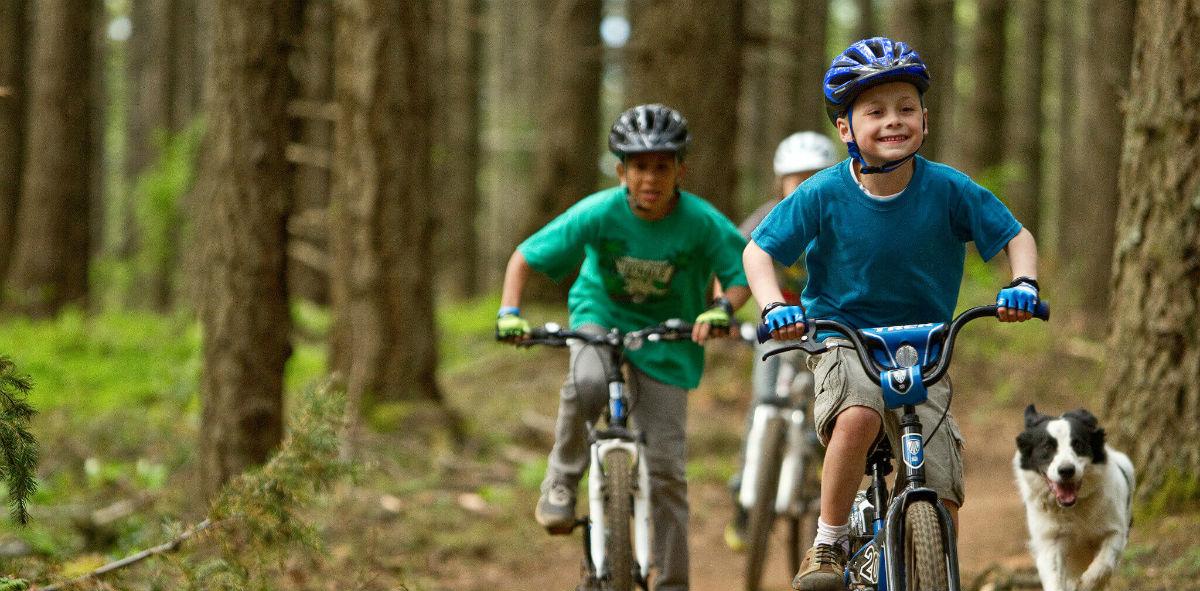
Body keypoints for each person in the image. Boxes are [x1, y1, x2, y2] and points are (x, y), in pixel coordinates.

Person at [742, 37, 1041, 591]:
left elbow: (1015, 236)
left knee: (943, 493)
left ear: (924, 120)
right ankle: (828, 542)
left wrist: (1021, 284)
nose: (893, 121)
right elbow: (759, 253)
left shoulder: (949, 188)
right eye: (874, 111)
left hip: (925, 345)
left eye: (905, 108)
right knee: (859, 415)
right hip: (841, 337)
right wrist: (772, 308)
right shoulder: (822, 193)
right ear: (846, 129)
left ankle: (926, 562)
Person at [496, 103, 751, 591]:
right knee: (586, 383)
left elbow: (738, 274)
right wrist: (510, 313)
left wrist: (721, 309)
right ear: (621, 171)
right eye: (639, 167)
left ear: (680, 170)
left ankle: (672, 581)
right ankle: (561, 480)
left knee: (668, 468)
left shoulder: (700, 221)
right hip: (601, 316)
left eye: (661, 166)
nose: (649, 178)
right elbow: (525, 256)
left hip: (668, 334)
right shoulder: (600, 211)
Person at [724, 131, 837, 551]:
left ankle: (823, 484)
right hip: (776, 327)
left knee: (831, 409)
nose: (804, 186)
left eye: (814, 177)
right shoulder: (767, 218)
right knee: (763, 405)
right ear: (780, 181)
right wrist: (725, 312)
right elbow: (734, 260)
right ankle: (744, 495)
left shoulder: (836, 217)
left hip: (828, 327)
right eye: (796, 178)